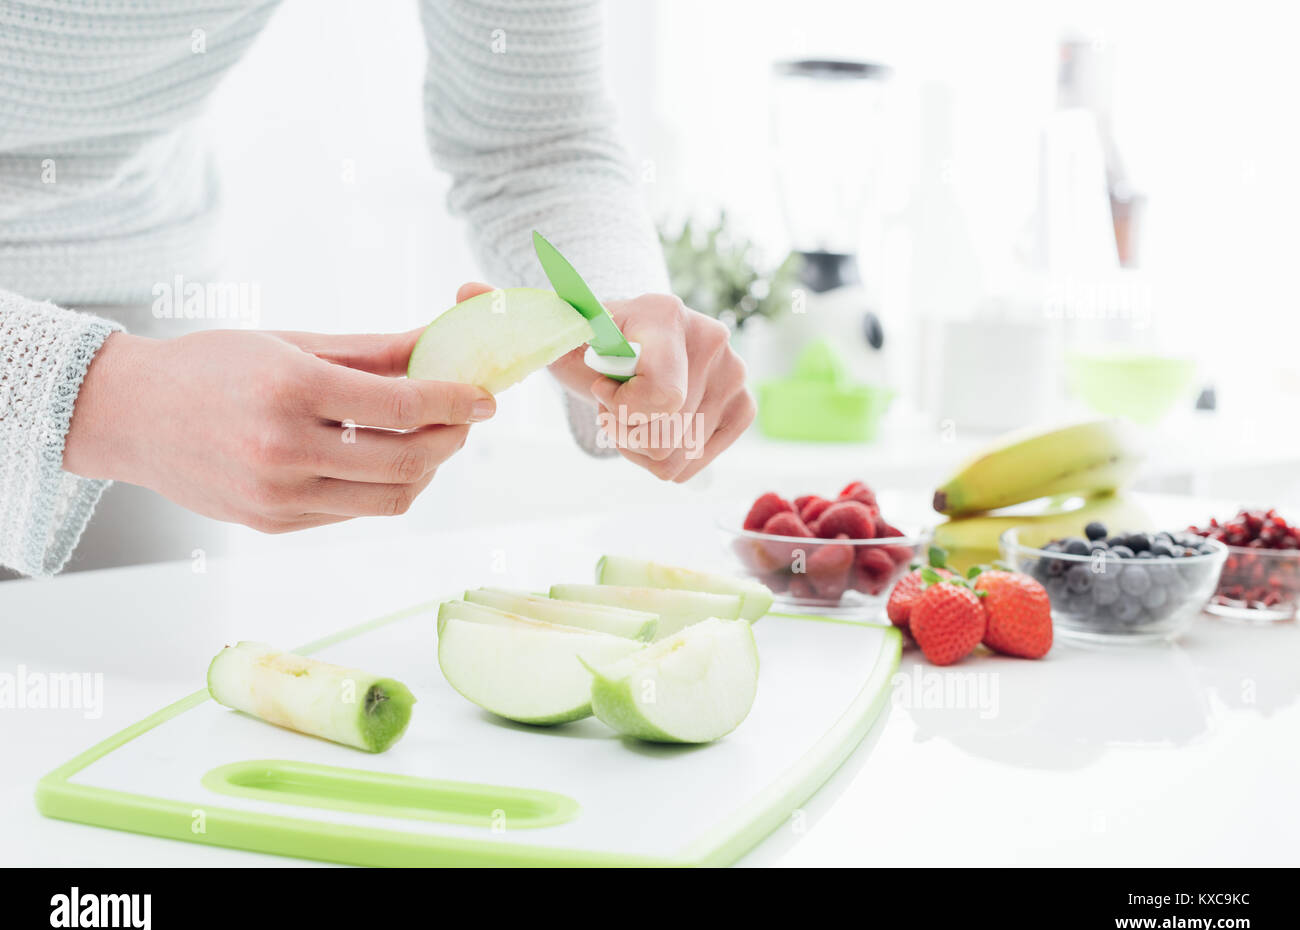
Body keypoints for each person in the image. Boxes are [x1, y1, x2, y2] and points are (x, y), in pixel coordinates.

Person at [0, 0, 755, 577]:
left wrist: (616, 321)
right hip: (123, 377)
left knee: (138, 746)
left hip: (129, 294)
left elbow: (533, 138)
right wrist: (106, 400)